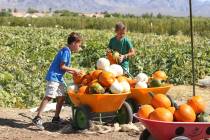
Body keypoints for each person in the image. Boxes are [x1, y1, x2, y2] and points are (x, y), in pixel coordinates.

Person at [32, 32, 83, 130]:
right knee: (49, 96)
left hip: (59, 78)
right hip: (54, 77)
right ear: (74, 43)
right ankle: (37, 118)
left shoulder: (67, 51)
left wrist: (72, 73)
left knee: (62, 97)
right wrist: (74, 70)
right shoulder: (66, 51)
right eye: (79, 45)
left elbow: (63, 69)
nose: (79, 47)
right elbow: (62, 66)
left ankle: (56, 118)